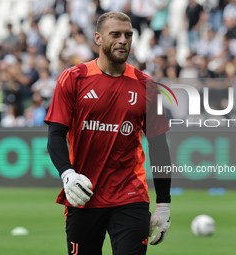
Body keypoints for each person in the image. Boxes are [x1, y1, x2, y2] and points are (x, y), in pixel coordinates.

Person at [45, 11, 172, 255]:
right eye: (115, 34)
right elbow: (55, 135)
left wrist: (164, 202)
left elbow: (158, 146)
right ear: (98, 38)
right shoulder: (73, 79)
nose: (123, 40)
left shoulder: (147, 85)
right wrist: (67, 174)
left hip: (130, 195)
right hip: (83, 193)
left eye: (128, 35)